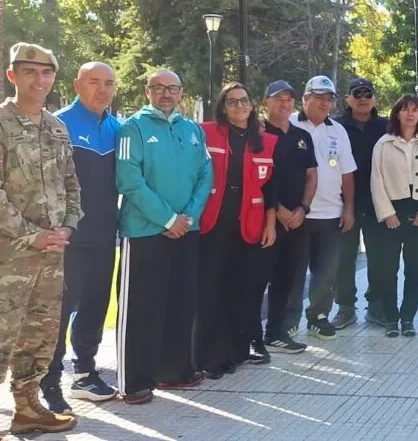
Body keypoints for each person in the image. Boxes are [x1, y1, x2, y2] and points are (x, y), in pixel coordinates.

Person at [116, 69, 212, 404]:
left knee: (180, 304)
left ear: (181, 92)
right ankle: (134, 382)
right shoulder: (133, 128)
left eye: (172, 88)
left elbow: (206, 175)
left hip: (186, 230)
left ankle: (174, 371)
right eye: (159, 88)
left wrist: (188, 218)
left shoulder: (193, 130)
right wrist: (168, 219)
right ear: (148, 91)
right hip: (145, 233)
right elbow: (129, 180)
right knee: (143, 309)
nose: (166, 94)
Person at [0, 43, 81, 434]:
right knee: (2, 333)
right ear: (12, 75)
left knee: (40, 332)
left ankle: (28, 407)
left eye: (46, 72)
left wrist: (67, 227)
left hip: (51, 254)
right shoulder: (2, 123)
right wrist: (33, 236)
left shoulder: (56, 126)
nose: (39, 79)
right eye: (29, 71)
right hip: (10, 254)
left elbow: (71, 184)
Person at [42, 62, 120, 413]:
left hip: (105, 235)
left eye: (109, 83)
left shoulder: (116, 128)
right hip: (68, 236)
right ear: (77, 85)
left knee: (95, 306)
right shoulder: (58, 124)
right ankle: (49, 380)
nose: (102, 90)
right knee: (58, 311)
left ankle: (85, 372)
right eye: (94, 82)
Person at [196, 84, 278, 379]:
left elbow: (271, 187)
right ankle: (210, 357)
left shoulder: (266, 141)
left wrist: (270, 224)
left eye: (244, 101)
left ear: (252, 106)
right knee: (210, 290)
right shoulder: (205, 133)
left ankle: (235, 352)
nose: (239, 106)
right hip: (214, 221)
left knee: (240, 290)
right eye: (232, 102)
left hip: (249, 225)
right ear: (223, 106)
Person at [289, 76, 356, 341]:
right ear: (305, 98)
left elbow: (347, 173)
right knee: (293, 271)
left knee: (326, 272)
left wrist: (348, 208)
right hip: (297, 214)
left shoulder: (338, 131)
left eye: (329, 99)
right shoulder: (289, 124)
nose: (324, 103)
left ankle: (317, 317)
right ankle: (288, 320)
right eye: (318, 97)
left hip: (331, 213)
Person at [370, 95, 418, 337]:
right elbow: (376, 181)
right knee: (388, 269)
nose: (410, 114)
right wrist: (387, 213)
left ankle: (408, 318)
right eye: (405, 109)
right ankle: (391, 318)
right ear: (397, 113)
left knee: (414, 268)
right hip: (392, 210)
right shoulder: (383, 144)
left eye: (415, 110)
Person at [261, 81, 318, 354]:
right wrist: (280, 212)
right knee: (258, 279)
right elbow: (259, 178)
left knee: (287, 278)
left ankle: (275, 333)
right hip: (266, 221)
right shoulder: (258, 134)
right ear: (266, 102)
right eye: (278, 99)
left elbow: (312, 175)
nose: (284, 104)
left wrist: (302, 209)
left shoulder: (302, 135)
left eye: (288, 99)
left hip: (297, 221)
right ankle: (250, 336)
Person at [332, 77, 388, 330]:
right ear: (348, 99)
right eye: (358, 94)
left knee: (379, 257)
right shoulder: (335, 126)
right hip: (344, 202)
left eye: (368, 94)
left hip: (378, 202)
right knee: (344, 258)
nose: (363, 99)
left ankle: (376, 306)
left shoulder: (387, 126)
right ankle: (345, 307)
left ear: (374, 99)